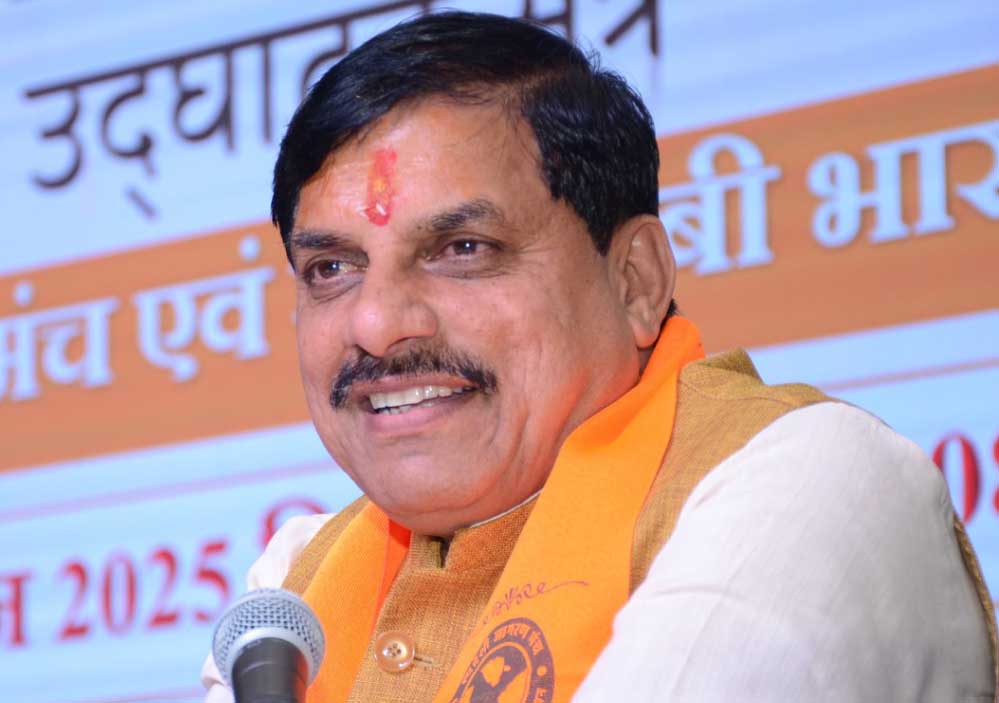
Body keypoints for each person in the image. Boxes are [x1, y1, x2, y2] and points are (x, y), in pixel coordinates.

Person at [202, 11, 997, 702]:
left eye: (462, 248)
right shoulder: (296, 592)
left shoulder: (799, 478)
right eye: (331, 268)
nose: (376, 324)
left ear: (634, 280)